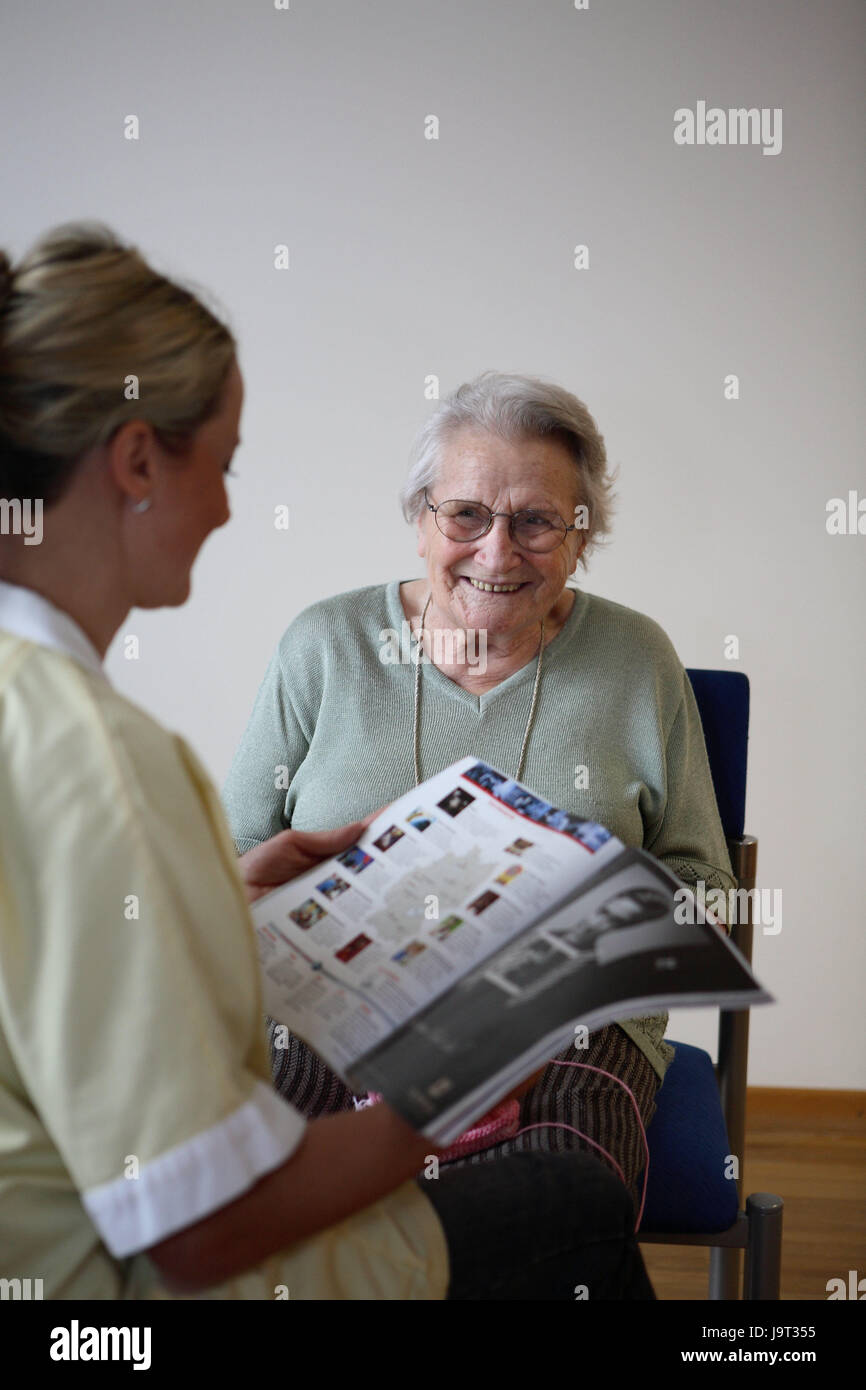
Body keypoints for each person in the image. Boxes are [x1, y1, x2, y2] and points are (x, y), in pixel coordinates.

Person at [0, 221, 656, 1300]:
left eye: (536, 521)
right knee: (564, 1211)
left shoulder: (51, 722)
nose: (222, 506)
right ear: (134, 461)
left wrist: (224, 902)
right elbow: (202, 1233)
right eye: (226, 462)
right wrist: (451, 1077)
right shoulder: (99, 753)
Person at [222, 370, 738, 1217]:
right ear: (422, 521)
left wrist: (590, 927)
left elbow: (708, 889)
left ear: (582, 538)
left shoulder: (638, 660)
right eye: (467, 514)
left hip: (570, 1019)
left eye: (537, 521)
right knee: (281, 1190)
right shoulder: (324, 646)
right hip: (338, 1003)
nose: (498, 554)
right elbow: (234, 855)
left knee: (555, 1206)